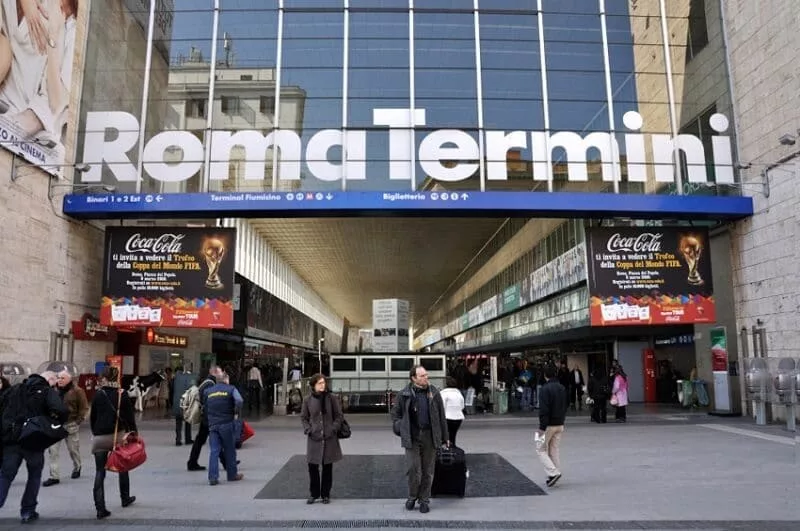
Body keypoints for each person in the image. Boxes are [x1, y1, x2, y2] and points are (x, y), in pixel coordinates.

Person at [0, 371, 66, 524]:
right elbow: (61, 410)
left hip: (12, 439)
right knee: (34, 475)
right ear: (49, 379)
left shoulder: (15, 389)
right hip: (33, 439)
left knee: (6, 475)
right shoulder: (46, 391)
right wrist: (52, 422)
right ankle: (28, 511)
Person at [390, 365, 449, 514]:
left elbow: (442, 416)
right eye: (422, 376)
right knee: (413, 469)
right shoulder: (404, 394)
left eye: (426, 375)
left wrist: (445, 437)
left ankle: (424, 500)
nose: (426, 378)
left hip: (430, 436)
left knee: (428, 471)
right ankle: (412, 496)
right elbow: (395, 414)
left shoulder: (434, 392)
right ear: (413, 378)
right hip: (412, 437)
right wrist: (400, 427)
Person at [90, 366, 137, 520]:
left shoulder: (98, 394)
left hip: (100, 437)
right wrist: (134, 434)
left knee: (99, 471)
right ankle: (125, 498)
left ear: (103, 377)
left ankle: (100, 508)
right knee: (123, 466)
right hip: (118, 436)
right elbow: (130, 418)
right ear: (117, 378)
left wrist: (96, 432)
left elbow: (93, 418)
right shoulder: (121, 394)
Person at [300, 374, 343, 504]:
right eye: (319, 383)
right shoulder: (307, 400)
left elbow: (339, 416)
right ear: (313, 385)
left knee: (327, 467)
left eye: (323, 382)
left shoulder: (331, 398)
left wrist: (333, 428)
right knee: (312, 467)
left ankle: (325, 494)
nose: (322, 385)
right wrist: (308, 429)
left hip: (329, 438)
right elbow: (304, 417)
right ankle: (314, 493)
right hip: (314, 438)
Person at [43, 369, 88, 486]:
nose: (60, 380)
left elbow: (84, 407)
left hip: (71, 423)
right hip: (56, 425)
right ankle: (54, 476)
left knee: (73, 449)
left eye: (63, 378)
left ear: (69, 379)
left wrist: (78, 421)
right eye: (58, 377)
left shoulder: (77, 391)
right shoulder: (54, 391)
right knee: (53, 451)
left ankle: (77, 467)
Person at [203, 367, 243, 485]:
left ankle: (213, 477)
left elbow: (205, 405)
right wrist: (235, 412)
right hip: (227, 423)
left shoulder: (208, 391)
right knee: (230, 449)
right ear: (226, 379)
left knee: (214, 451)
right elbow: (239, 401)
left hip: (213, 425)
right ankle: (232, 475)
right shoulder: (231, 389)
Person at [536, 364, 567, 488]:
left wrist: (541, 427)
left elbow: (544, 410)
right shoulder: (562, 387)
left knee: (539, 448)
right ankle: (555, 473)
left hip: (547, 425)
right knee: (554, 449)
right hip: (560, 423)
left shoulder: (544, 389)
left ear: (545, 375)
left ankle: (553, 473)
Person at [438, 377, 465, 447]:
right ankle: (452, 448)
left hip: (447, 417)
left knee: (445, 435)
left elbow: (441, 406)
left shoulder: (443, 393)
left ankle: (445, 448)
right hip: (459, 417)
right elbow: (462, 406)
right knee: (453, 434)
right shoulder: (459, 393)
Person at [171, 366, 194, 446]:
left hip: (177, 402)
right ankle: (188, 439)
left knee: (178, 423)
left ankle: (178, 440)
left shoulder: (174, 379)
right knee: (188, 422)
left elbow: (171, 390)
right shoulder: (189, 378)